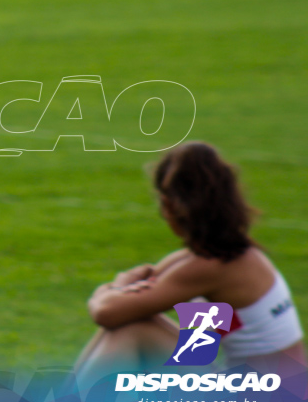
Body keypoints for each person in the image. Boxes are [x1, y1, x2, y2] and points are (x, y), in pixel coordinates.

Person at [75, 142, 305, 388]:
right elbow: (198, 349)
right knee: (134, 322)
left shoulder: (208, 268)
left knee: (133, 329)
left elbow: (106, 313)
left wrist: (112, 287)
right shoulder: (236, 257)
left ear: (169, 206)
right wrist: (122, 297)